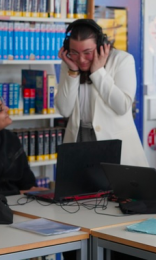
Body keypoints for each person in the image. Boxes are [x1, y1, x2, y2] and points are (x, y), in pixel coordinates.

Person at [55, 18, 149, 167]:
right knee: (81, 189)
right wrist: (73, 71)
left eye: (87, 52)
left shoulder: (122, 60)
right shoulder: (69, 64)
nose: (81, 59)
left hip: (113, 143)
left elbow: (122, 106)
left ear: (100, 46)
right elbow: (64, 110)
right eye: (74, 52)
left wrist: (98, 72)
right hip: (79, 139)